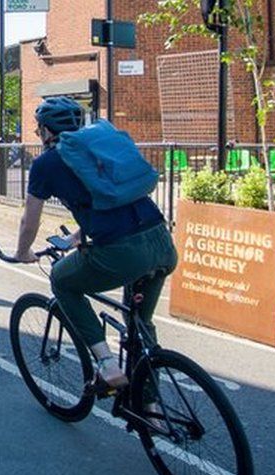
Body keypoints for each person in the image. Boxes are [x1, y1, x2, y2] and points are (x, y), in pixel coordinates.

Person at [12, 96, 177, 389]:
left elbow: (29, 220)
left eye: (39, 130)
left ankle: (107, 363)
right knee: (141, 324)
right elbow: (110, 201)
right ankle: (150, 405)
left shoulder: (46, 163)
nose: (39, 135)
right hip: (161, 241)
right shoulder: (97, 148)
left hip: (122, 251)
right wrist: (75, 238)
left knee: (62, 280)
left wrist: (23, 251)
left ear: (47, 131)